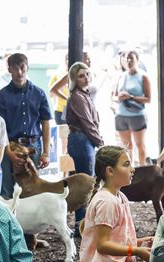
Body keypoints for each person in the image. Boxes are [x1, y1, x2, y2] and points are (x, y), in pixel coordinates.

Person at [0, 52, 53, 198]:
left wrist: (46, 153)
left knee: (32, 191)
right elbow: (0, 129)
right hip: (10, 146)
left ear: (27, 68)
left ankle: (30, 221)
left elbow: (45, 123)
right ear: (9, 70)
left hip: (34, 147)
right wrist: (8, 152)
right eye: (15, 68)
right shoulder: (1, 96)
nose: (19, 72)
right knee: (7, 190)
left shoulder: (39, 93)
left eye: (22, 67)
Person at [66, 61, 103, 235]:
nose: (86, 77)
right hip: (81, 139)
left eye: (87, 74)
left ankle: (82, 225)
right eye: (81, 75)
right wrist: (100, 142)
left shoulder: (85, 95)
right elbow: (87, 123)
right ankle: (81, 226)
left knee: (87, 182)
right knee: (86, 184)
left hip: (84, 140)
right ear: (74, 79)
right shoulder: (77, 97)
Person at [112, 49, 151, 166]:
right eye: (127, 58)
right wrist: (119, 98)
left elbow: (149, 99)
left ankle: (144, 171)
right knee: (126, 147)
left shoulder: (143, 77)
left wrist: (131, 97)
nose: (129, 61)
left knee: (140, 145)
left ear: (137, 60)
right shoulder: (121, 76)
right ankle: (130, 172)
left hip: (137, 115)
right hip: (121, 115)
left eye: (131, 58)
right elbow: (113, 97)